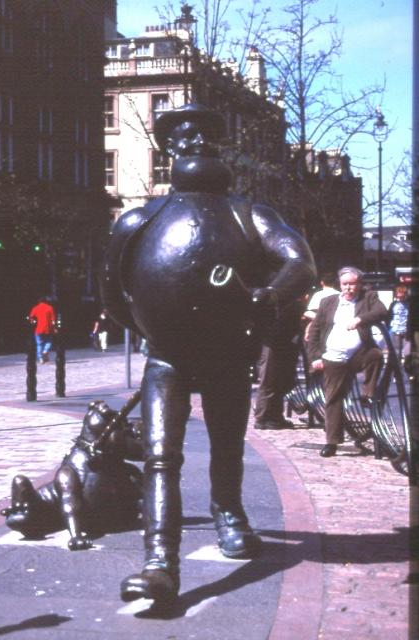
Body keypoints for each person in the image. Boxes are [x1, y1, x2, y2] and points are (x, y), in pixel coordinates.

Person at [101, 103, 316, 604]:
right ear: (170, 149)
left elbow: (299, 262)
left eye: (206, 135)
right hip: (166, 356)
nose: (198, 144)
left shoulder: (249, 214)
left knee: (226, 446)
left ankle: (230, 516)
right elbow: (114, 293)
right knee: (160, 458)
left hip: (226, 352)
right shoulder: (139, 219)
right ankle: (160, 564)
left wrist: (268, 295)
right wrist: (155, 328)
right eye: (186, 136)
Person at [307, 266, 388, 458]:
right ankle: (332, 442)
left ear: (360, 284)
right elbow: (315, 332)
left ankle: (367, 393)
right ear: (340, 284)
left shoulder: (368, 297)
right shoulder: (328, 302)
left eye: (353, 284)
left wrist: (360, 318)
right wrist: (316, 357)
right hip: (333, 356)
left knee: (375, 354)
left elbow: (382, 312)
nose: (349, 288)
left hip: (357, 354)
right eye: (345, 284)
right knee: (333, 398)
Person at [254, 297, 305, 430]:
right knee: (268, 381)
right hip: (272, 343)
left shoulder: (292, 301)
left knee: (281, 382)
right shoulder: (274, 300)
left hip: (285, 344)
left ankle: (275, 416)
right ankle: (262, 417)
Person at [302, 272, 338, 341]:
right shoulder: (339, 294)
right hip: (334, 325)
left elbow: (310, 311)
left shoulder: (318, 295)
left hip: (319, 327)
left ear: (322, 282)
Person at [28, 297, 57, 364]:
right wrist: (54, 328)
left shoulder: (35, 308)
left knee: (39, 344)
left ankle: (40, 358)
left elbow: (31, 317)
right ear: (46, 301)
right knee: (48, 341)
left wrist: (34, 322)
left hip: (38, 328)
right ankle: (45, 351)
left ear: (39, 301)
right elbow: (53, 320)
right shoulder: (50, 308)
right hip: (48, 328)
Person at [387, 285, 410, 361]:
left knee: (408, 353)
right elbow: (389, 317)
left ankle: (408, 370)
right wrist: (387, 328)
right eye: (398, 297)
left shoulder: (410, 304)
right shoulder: (393, 304)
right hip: (396, 331)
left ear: (406, 295)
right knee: (397, 353)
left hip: (407, 332)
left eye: (402, 297)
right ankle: (398, 371)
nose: (400, 299)